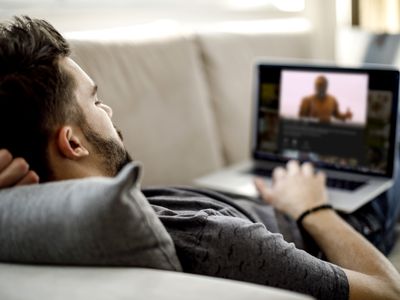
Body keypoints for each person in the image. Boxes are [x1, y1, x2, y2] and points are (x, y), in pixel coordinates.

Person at [0, 16, 399, 300]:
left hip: (274, 199)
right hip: (332, 221)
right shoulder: (213, 241)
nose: (108, 111)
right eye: (96, 101)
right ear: (72, 144)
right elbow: (387, 291)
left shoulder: (33, 222)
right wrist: (313, 206)